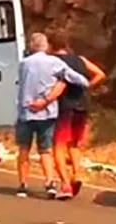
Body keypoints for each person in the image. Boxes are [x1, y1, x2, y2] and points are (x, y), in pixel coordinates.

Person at [15, 32, 90, 198]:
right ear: (45, 45)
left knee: (24, 149)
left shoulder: (23, 64)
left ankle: (22, 185)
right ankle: (50, 183)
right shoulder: (55, 62)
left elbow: (20, 85)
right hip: (47, 113)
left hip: (26, 112)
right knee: (46, 150)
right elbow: (80, 80)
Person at [49, 31, 106, 200]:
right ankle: (77, 174)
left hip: (63, 106)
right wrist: (88, 86)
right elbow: (100, 74)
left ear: (51, 46)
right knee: (74, 144)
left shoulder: (53, 62)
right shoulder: (80, 59)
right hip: (82, 105)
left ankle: (65, 184)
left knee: (58, 146)